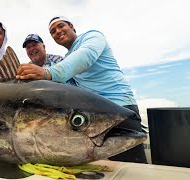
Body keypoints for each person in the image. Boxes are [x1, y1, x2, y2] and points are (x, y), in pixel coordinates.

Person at [16, 16, 147, 163]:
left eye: (60, 26)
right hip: (91, 118)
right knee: (110, 169)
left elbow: (84, 57)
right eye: (53, 31)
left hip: (118, 110)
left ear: (72, 26)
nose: (57, 32)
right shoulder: (67, 58)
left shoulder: (93, 36)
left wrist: (48, 73)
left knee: (130, 168)